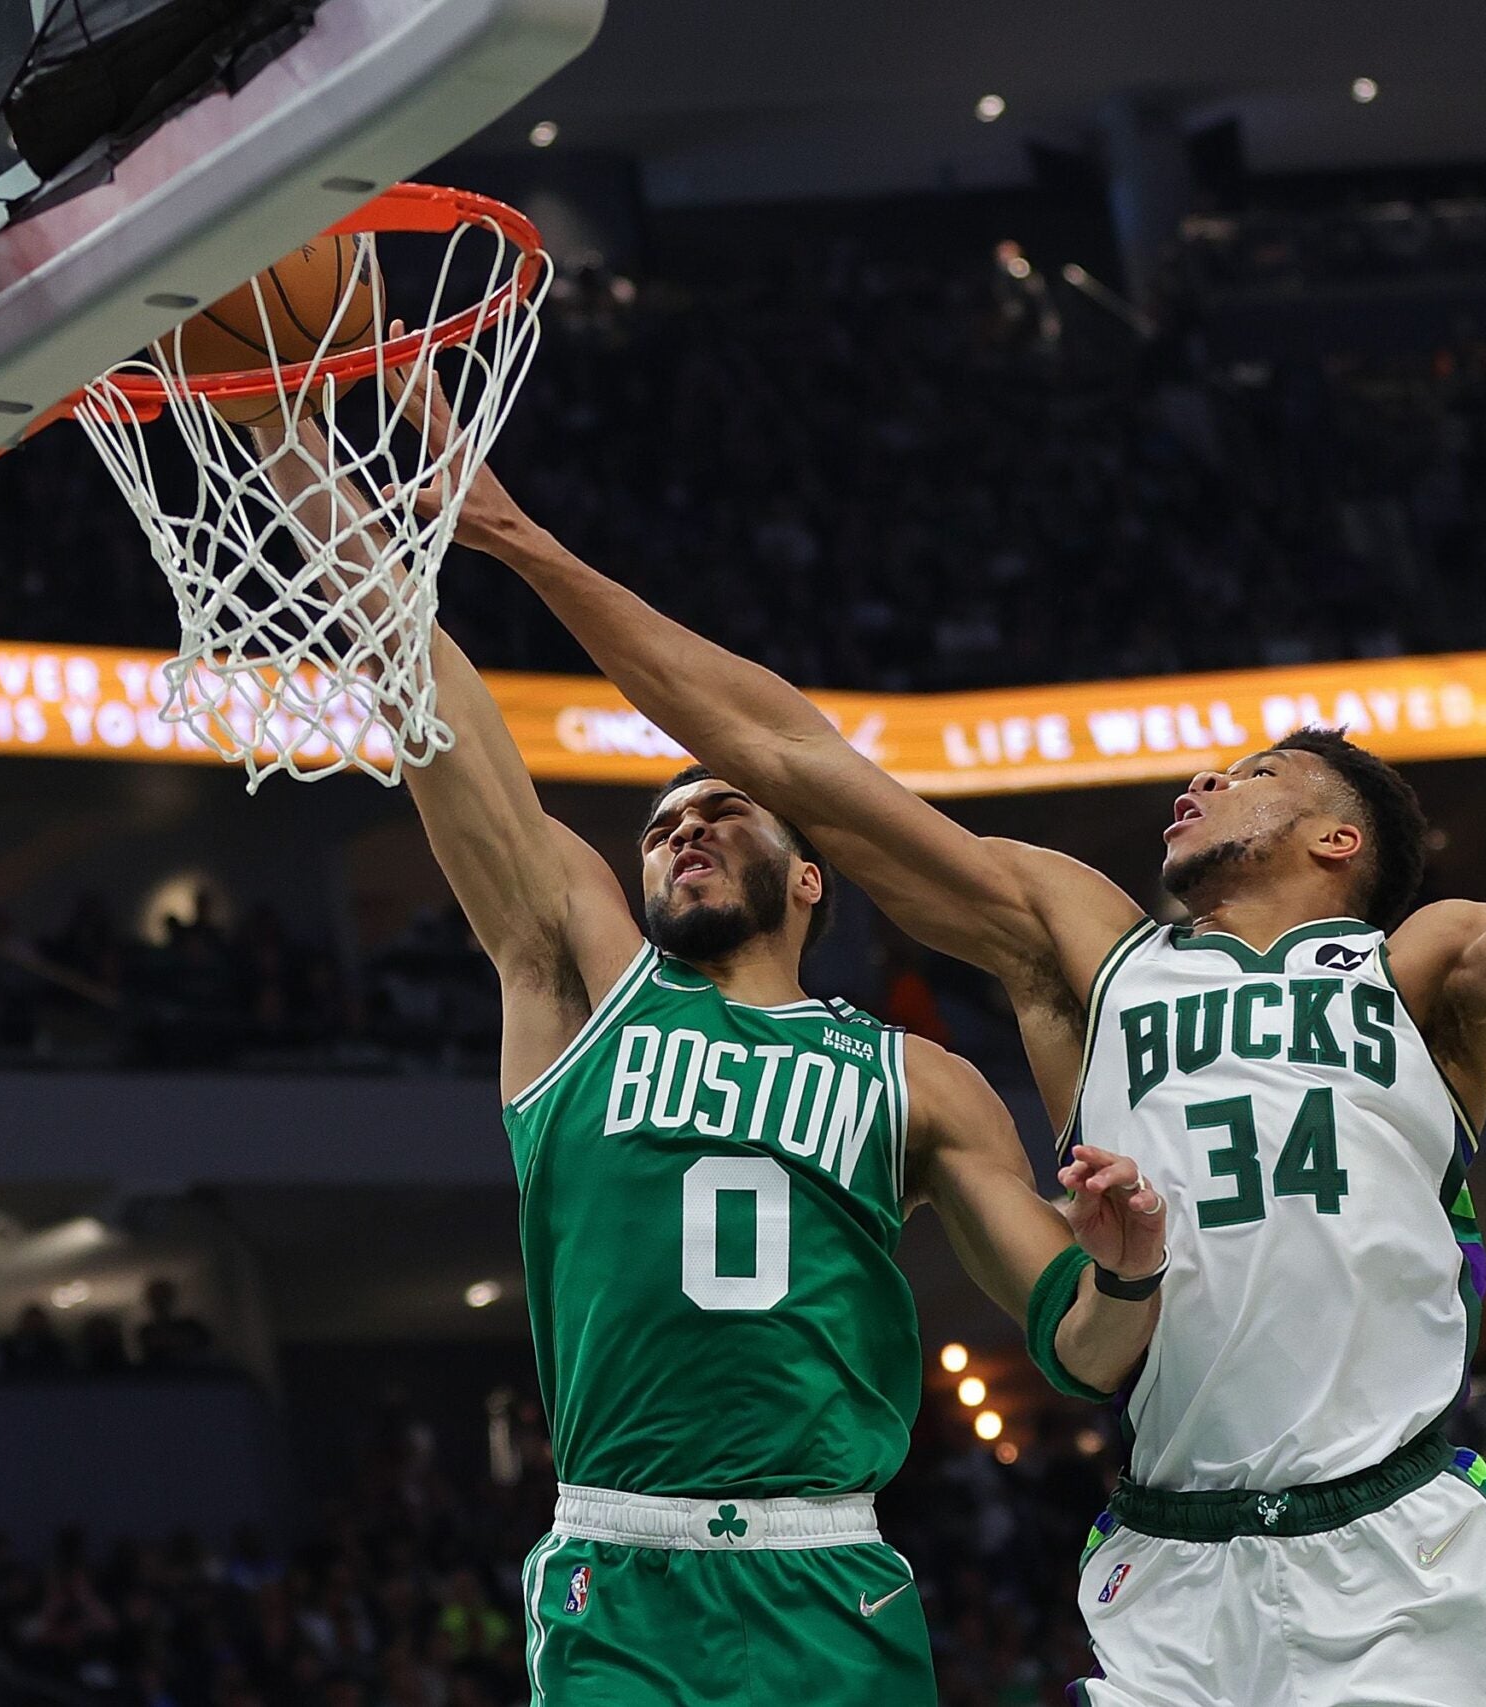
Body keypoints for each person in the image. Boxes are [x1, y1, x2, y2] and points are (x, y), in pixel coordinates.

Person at [460, 422, 1486, 1706]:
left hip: (1395, 1547)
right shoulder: (1084, 948)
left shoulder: (1423, 970)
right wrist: (525, 547)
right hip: (1173, 1565)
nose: (1200, 781)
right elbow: (792, 759)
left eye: (1251, 775)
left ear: (1341, 837)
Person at [246, 367, 1168, 1707]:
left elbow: (1082, 1348)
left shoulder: (918, 1077)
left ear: (810, 880)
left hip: (828, 1574)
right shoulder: (578, 978)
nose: (682, 829)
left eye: (719, 808)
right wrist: (284, 443)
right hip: (619, 1564)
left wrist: (1129, 1272)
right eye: (662, 823)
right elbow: (417, 679)